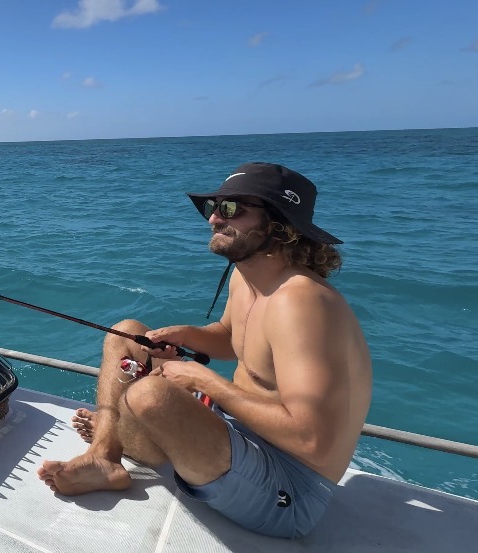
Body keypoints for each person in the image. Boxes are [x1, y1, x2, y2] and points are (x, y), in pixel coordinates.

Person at [37, 162, 372, 539]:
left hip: (289, 490)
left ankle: (116, 428)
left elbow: (312, 440)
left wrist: (201, 378)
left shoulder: (302, 303)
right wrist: (187, 336)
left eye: (231, 209)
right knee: (126, 333)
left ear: (280, 224)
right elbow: (232, 338)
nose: (213, 219)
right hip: (237, 433)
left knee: (151, 395)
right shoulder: (249, 276)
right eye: (212, 207)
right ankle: (105, 454)